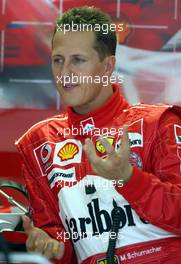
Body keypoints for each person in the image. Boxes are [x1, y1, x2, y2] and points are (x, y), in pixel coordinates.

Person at [15, 6, 181, 264]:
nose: (65, 72)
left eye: (78, 60)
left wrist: (128, 178)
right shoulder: (38, 144)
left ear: (108, 66)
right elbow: (59, 239)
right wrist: (53, 248)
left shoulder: (159, 124)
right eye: (58, 60)